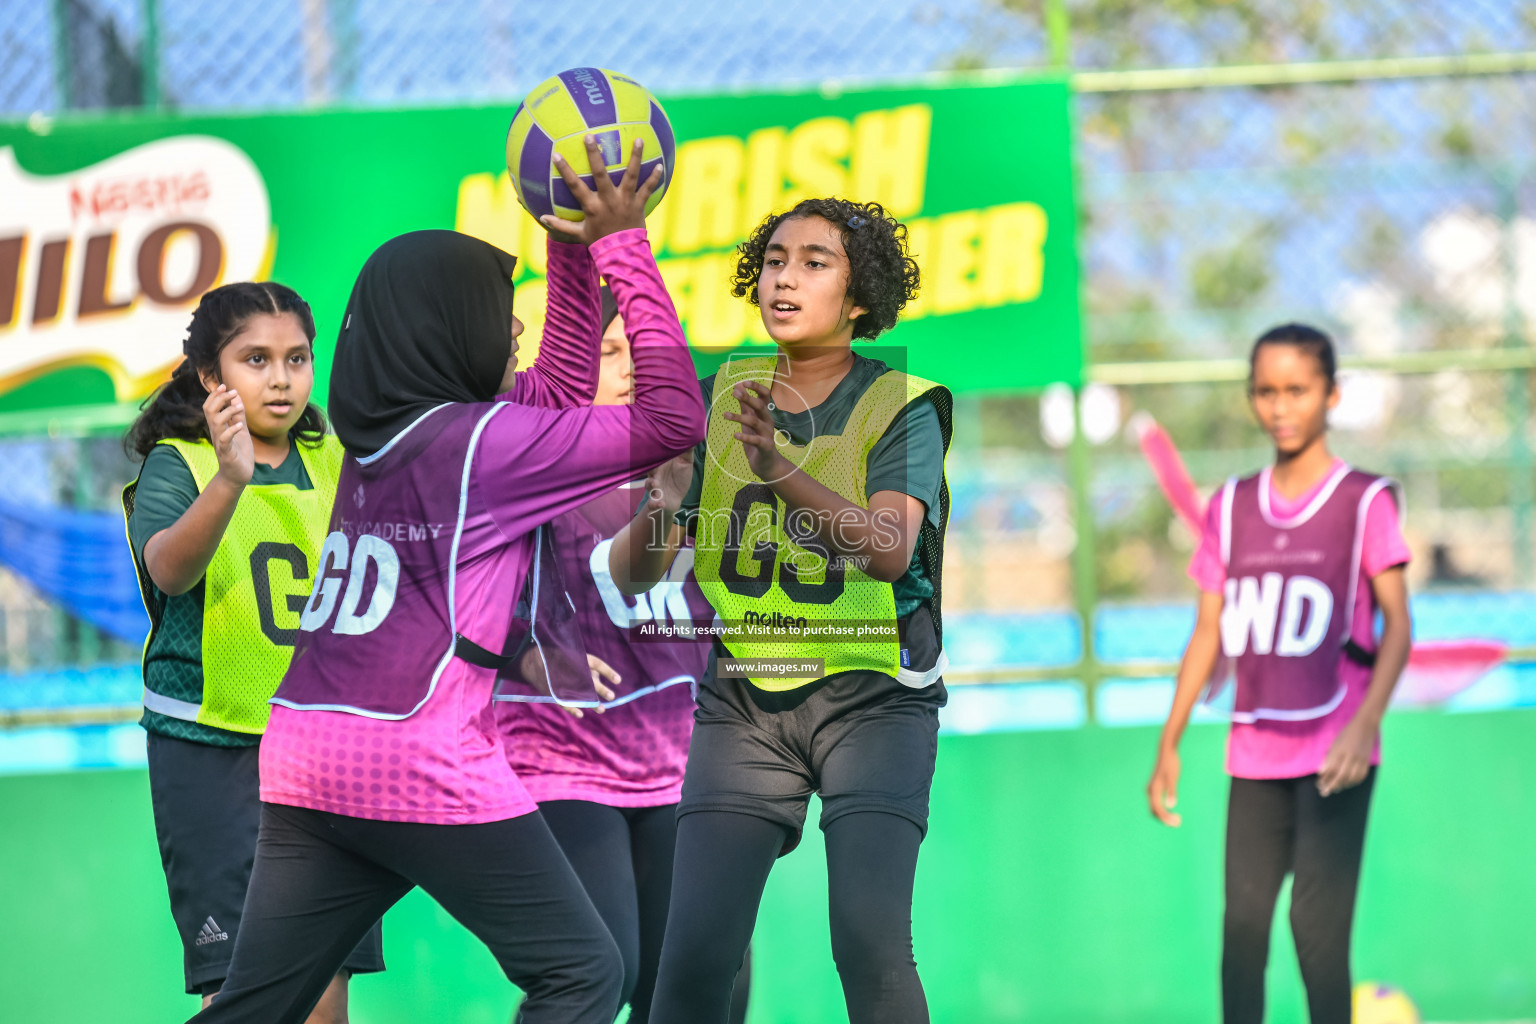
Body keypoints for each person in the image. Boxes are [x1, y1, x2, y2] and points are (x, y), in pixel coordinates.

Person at [188, 137, 705, 1023]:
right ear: (445, 334)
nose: (515, 340)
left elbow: (559, 385)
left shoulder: (387, 440)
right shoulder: (480, 447)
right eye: (499, 325)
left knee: (258, 1005)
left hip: (309, 752)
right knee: (583, 974)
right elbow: (669, 416)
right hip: (414, 753)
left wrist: (567, 247)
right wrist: (621, 242)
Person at [612, 198, 952, 1024]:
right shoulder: (718, 393)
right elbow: (634, 574)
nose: (785, 276)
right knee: (691, 962)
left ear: (859, 296)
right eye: (773, 259)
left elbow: (888, 548)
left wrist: (774, 465)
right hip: (744, 702)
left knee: (869, 950)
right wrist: (661, 503)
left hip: (874, 699)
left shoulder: (905, 401)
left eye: (814, 262)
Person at [122, 281, 384, 1023]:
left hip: (327, 749)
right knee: (244, 992)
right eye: (256, 359)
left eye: (297, 359)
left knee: (325, 993)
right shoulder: (182, 464)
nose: (280, 378)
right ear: (211, 376)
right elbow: (170, 568)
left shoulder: (337, 457)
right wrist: (232, 477)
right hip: (214, 746)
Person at [1146, 323, 1413, 1024]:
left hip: (1336, 751)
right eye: (1266, 391)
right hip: (1255, 751)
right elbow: (1208, 631)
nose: (1281, 406)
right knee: (1242, 935)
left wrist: (1365, 724)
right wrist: (1169, 740)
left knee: (1317, 935)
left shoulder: (1365, 501)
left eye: (1297, 390)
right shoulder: (1230, 508)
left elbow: (1398, 627)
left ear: (1331, 395)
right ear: (1251, 398)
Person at [497, 287, 750, 1024]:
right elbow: (463, 595)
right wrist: (525, 657)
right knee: (603, 967)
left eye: (637, 350)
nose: (629, 366)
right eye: (606, 353)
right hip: (561, 753)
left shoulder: (705, 462)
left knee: (706, 980)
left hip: (681, 759)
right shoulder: (530, 468)